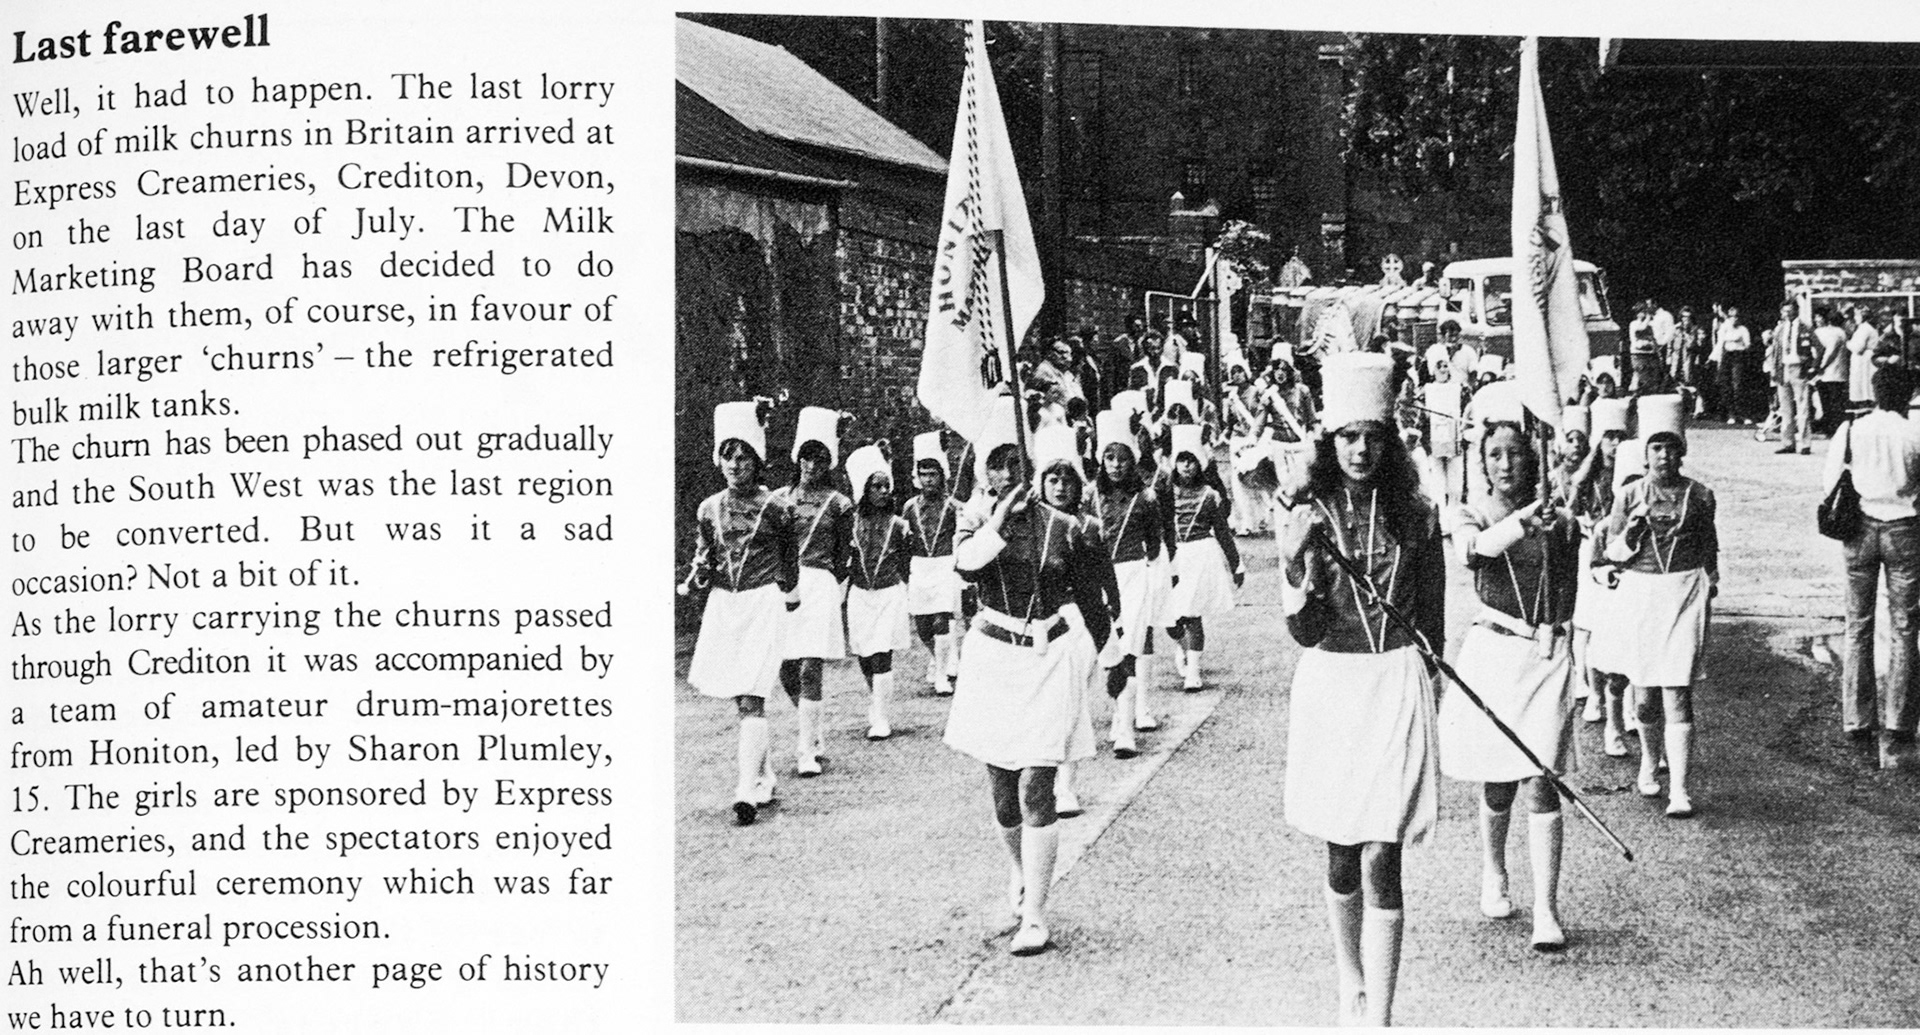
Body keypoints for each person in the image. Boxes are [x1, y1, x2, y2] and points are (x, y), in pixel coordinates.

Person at [1277, 351, 1445, 1026]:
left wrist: (1432, 677)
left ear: (1389, 440)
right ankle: (1351, 980)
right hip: (1333, 687)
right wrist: (1298, 564)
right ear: (1330, 441)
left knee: (1384, 848)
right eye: (1348, 436)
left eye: (1372, 436)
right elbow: (1305, 628)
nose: (1360, 448)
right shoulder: (1308, 512)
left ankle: (1382, 1012)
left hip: (1396, 681)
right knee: (1342, 850)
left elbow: (1432, 610)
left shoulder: (1415, 512)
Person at [944, 433, 1106, 957]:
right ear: (985, 475)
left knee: (1039, 785)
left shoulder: (1065, 527)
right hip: (993, 657)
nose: (1008, 473)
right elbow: (967, 565)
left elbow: (1089, 597)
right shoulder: (973, 520)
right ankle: (1018, 868)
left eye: (1017, 464)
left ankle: (1035, 913)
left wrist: (1104, 651)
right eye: (998, 466)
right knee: (1002, 789)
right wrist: (999, 522)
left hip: (1048, 656)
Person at [1437, 384, 1581, 952]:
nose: (1505, 464)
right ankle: (1494, 870)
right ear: (1481, 460)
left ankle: (1547, 909)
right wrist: (1524, 520)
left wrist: (1564, 527)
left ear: (1533, 456)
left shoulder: (1559, 517)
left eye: (1516, 453)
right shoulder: (1468, 511)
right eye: (1495, 454)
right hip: (1495, 650)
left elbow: (1574, 586)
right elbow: (1473, 553)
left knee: (1543, 779)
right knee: (1498, 780)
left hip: (1545, 656)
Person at [1596, 396, 1719, 817]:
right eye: (1656, 447)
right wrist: (1632, 529)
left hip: (1683, 594)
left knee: (1677, 693)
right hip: (1641, 595)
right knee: (1645, 699)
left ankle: (1681, 790)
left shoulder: (1700, 495)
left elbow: (1709, 544)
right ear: (1645, 452)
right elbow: (1612, 552)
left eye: (1671, 447)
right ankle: (1650, 759)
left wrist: (1710, 581)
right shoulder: (1629, 494)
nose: (1664, 455)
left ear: (1681, 450)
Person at [683, 402, 800, 825]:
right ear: (719, 459)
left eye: (744, 455)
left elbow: (790, 560)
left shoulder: (778, 508)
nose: (735, 463)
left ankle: (745, 789)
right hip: (724, 606)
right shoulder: (708, 508)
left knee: (753, 695)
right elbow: (704, 556)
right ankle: (764, 775)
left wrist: (791, 595)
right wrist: (698, 575)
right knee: (743, 700)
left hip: (762, 602)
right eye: (728, 454)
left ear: (757, 460)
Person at [1822, 365, 1920, 769]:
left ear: (1875, 391)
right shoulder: (1915, 433)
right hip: (1904, 530)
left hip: (1858, 529)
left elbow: (1829, 484)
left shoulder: (1850, 430)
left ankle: (1857, 718)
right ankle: (1900, 722)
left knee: (1858, 623)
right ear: (1909, 394)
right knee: (1904, 627)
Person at [778, 407, 854, 777]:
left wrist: (834, 587)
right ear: (798, 458)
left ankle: (805, 750)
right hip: (781, 585)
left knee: (810, 667)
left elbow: (843, 553)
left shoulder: (840, 503)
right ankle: (815, 728)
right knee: (786, 669)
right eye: (807, 456)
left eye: (820, 457)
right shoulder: (778, 499)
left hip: (819, 583)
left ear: (830, 462)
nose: (812, 464)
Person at [1091, 406, 1169, 756]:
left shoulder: (1146, 498)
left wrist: (1150, 576)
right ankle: (1118, 712)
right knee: (1101, 649)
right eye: (1109, 457)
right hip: (1095, 580)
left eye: (1122, 457)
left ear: (1132, 460)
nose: (1116, 464)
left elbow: (1155, 545)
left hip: (1133, 574)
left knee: (1128, 649)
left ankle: (1125, 727)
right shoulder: (1088, 497)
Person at [1568, 399, 1633, 752]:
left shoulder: (1630, 477)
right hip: (1591, 552)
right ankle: (1594, 692)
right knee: (1591, 625)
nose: (1615, 444)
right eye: (1609, 437)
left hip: (1623, 555)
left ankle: (1623, 708)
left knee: (1623, 629)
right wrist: (1587, 525)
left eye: (1620, 437)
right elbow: (1572, 512)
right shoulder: (1587, 477)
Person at [1163, 423, 1244, 691]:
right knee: (1170, 619)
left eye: (1192, 461)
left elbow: (1222, 532)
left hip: (1199, 555)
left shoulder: (1210, 496)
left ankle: (1193, 672)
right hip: (1172, 556)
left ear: (1200, 464)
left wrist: (1236, 564)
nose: (1186, 466)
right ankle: (1182, 646)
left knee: (1193, 615)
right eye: (1181, 461)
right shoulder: (1164, 493)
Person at [842, 444, 912, 741]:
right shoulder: (849, 521)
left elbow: (907, 560)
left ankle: (881, 717)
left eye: (887, 485)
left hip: (888, 594)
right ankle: (876, 700)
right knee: (865, 653)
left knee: (882, 653)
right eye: (876, 486)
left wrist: (905, 589)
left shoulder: (899, 525)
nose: (883, 491)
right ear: (863, 489)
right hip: (859, 595)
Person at [905, 432, 964, 696]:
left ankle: (941, 675)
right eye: (924, 473)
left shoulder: (953, 506)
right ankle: (942, 656)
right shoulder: (909, 507)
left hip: (944, 565)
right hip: (919, 567)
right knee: (923, 626)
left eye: (933, 473)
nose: (929, 479)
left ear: (942, 475)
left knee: (942, 620)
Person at [1767, 301, 1815, 455]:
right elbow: (1775, 351)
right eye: (1785, 311)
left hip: (1798, 368)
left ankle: (1805, 443)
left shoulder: (1805, 327)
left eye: (1790, 311)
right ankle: (1788, 442)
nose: (1787, 314)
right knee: (1785, 408)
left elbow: (1818, 347)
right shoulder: (1780, 328)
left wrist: (1814, 366)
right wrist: (1774, 369)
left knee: (1802, 407)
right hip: (1783, 368)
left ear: (1797, 311)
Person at [1812, 306, 1851, 437]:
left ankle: (1832, 428)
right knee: (1833, 402)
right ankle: (1832, 427)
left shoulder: (1831, 332)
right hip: (1835, 372)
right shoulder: (1839, 332)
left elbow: (1830, 352)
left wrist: (1820, 367)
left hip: (1830, 371)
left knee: (1830, 402)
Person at [1715, 306, 1753, 424]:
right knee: (1726, 385)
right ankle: (1730, 414)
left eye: (1736, 317)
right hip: (1727, 356)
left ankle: (1742, 413)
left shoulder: (1742, 329)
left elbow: (1748, 345)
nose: (1734, 319)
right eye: (1731, 317)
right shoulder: (1724, 328)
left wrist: (1737, 344)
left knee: (1738, 385)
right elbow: (1720, 344)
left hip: (1738, 356)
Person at [1848, 304, 1882, 419]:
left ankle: (1865, 407)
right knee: (1864, 385)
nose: (1855, 318)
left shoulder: (1864, 329)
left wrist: (1847, 343)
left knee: (1864, 385)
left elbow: (1858, 347)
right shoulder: (1866, 328)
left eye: (1857, 315)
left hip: (1864, 360)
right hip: (1863, 359)